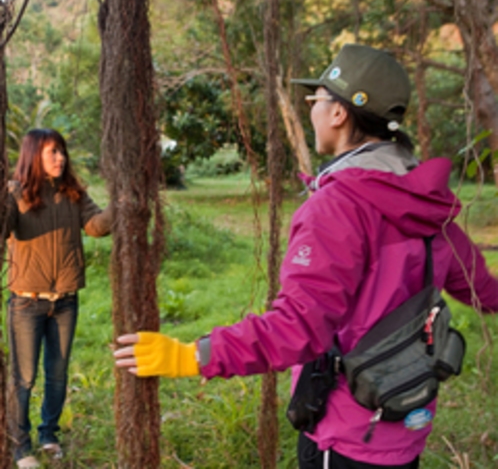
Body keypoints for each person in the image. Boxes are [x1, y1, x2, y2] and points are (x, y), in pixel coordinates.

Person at [114, 44, 498, 468]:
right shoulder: (429, 202)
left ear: (339, 114)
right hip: (406, 421)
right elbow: (484, 290)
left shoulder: (338, 206)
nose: (311, 108)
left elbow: (298, 328)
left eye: (316, 99)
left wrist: (193, 356)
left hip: (348, 436)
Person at [6, 129, 113, 469]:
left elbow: (96, 226)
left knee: (57, 373)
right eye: (52, 152)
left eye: (62, 151)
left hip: (65, 300)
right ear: (33, 155)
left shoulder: (73, 192)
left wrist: (121, 203)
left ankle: (48, 434)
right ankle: (20, 446)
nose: (60, 158)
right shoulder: (15, 193)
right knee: (24, 378)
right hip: (26, 302)